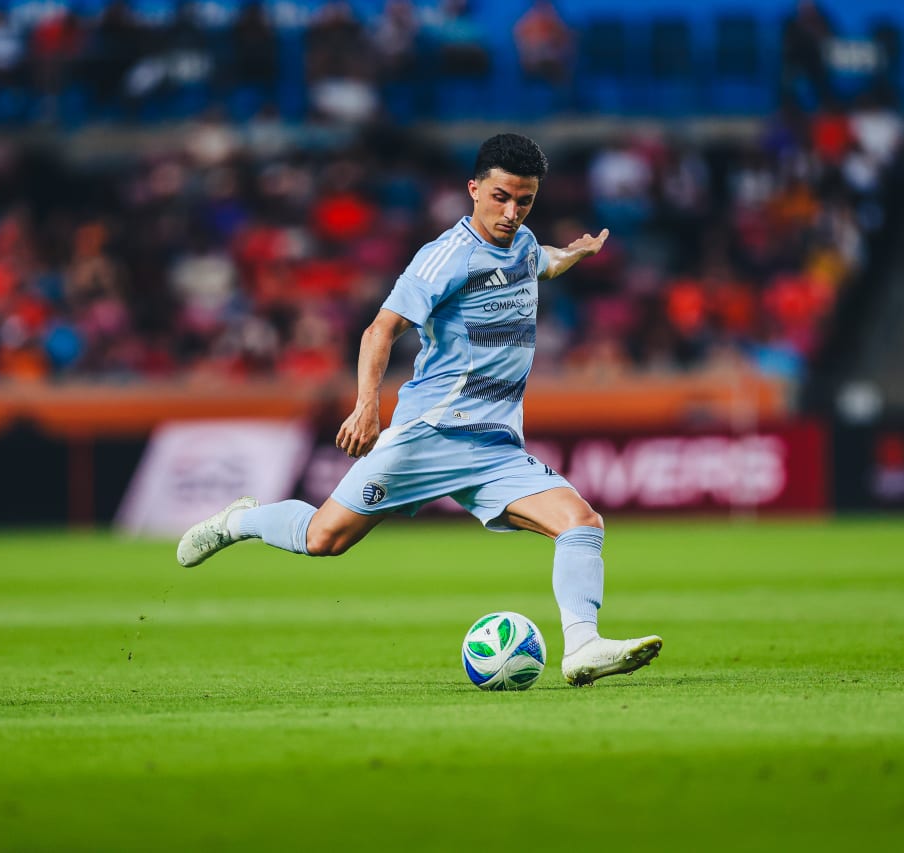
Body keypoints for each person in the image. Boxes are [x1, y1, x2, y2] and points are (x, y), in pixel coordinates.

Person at [176, 134, 662, 686]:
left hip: (495, 446)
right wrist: (366, 408)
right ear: (474, 189)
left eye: (523, 201)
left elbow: (540, 263)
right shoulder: (444, 257)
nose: (510, 212)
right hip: (430, 434)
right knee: (323, 539)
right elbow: (380, 328)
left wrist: (574, 254)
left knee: (581, 523)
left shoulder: (524, 243)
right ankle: (238, 521)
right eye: (500, 197)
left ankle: (583, 648)